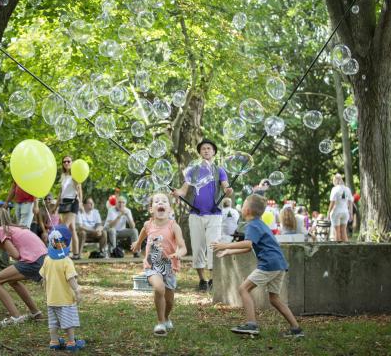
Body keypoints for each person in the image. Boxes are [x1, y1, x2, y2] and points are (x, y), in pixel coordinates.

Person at [211, 194, 304, 337]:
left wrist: (224, 244)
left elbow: (248, 244)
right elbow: (249, 247)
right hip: (279, 265)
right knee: (274, 299)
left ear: (247, 210)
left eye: (243, 205)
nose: (241, 208)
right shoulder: (259, 224)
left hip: (269, 264)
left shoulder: (252, 225)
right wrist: (229, 251)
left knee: (243, 289)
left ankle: (251, 324)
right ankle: (296, 329)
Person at [172, 139, 233, 292]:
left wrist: (228, 191)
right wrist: (177, 193)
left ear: (214, 152)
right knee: (197, 246)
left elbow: (225, 187)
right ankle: (202, 280)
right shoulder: (194, 170)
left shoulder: (219, 170)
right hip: (196, 214)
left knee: (213, 245)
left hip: (214, 214)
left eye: (209, 148)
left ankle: (213, 278)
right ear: (200, 152)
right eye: (203, 149)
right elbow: (183, 191)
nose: (206, 150)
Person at [0, 208, 47, 327]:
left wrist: (3, 248)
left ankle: (16, 317)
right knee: (12, 281)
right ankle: (36, 313)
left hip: (33, 261)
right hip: (43, 259)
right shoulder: (16, 228)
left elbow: (15, 255)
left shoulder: (1, 229)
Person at [130, 193, 187, 337]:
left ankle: (166, 317)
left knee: (169, 300)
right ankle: (160, 322)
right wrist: (137, 243)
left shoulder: (174, 226)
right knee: (159, 288)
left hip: (169, 266)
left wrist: (179, 253)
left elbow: (183, 246)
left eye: (164, 201)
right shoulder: (148, 224)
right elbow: (143, 232)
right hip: (152, 265)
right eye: (157, 201)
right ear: (151, 209)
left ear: (170, 209)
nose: (160, 203)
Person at [39, 226, 86, 351]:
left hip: (51, 299)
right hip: (65, 300)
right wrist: (77, 291)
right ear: (65, 243)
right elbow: (71, 279)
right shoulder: (66, 261)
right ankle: (71, 343)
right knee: (68, 322)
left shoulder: (47, 259)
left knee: (53, 323)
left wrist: (46, 292)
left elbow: (44, 278)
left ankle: (54, 341)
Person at [57, 155, 83, 260]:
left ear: (72, 163)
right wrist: (55, 205)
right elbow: (61, 192)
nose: (66, 163)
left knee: (64, 227)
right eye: (64, 162)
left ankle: (62, 252)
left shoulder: (75, 175)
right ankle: (76, 254)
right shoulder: (63, 176)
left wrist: (80, 202)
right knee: (72, 229)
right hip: (64, 203)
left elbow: (79, 189)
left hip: (73, 202)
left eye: (68, 161)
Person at [328, 173, 353, 242]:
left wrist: (328, 212)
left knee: (337, 233)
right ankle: (347, 250)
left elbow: (332, 202)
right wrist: (350, 213)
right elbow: (350, 202)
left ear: (335, 181)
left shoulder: (335, 189)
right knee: (344, 232)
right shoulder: (347, 189)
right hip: (345, 212)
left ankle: (337, 250)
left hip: (336, 212)